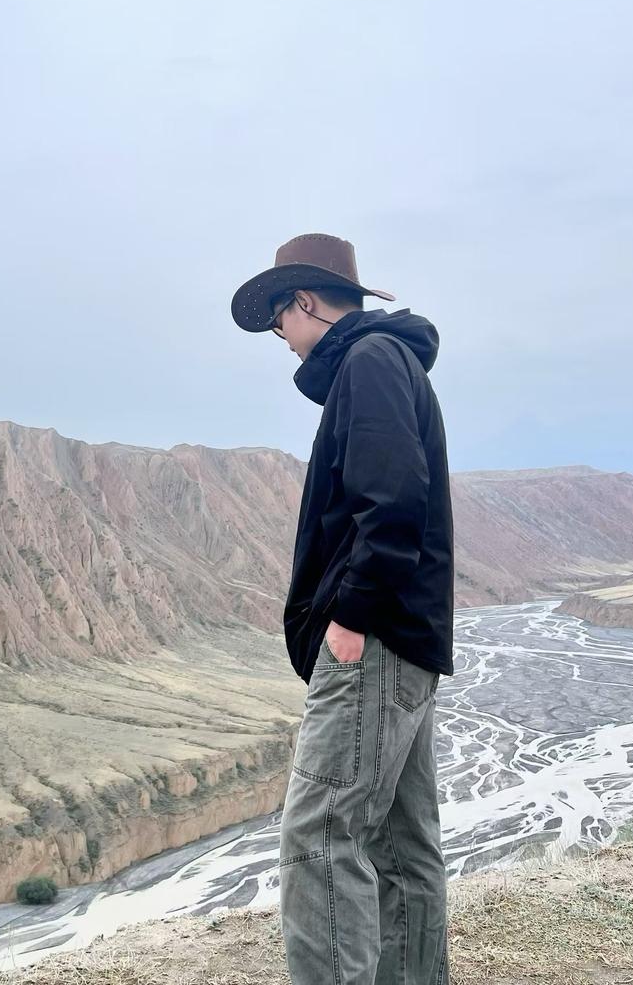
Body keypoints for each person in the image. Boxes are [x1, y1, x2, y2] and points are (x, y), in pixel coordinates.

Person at [231, 233, 454, 985]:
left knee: (320, 836)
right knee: (399, 843)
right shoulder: (386, 361)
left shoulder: (368, 363)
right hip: (406, 643)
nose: (276, 338)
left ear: (305, 301)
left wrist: (350, 620)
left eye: (276, 320)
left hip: (377, 643)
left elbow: (391, 503)